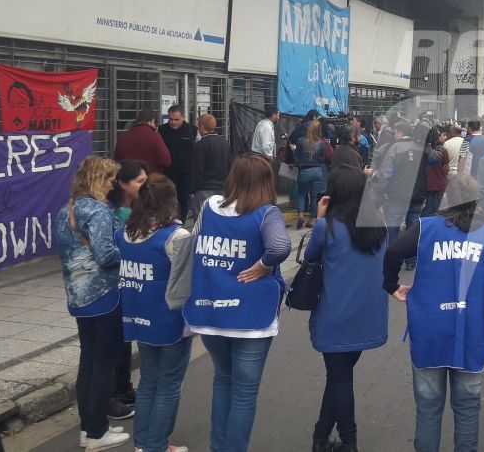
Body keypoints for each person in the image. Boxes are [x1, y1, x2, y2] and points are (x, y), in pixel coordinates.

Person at [383, 174, 484, 452]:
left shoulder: (425, 227)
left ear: (447, 198)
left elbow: (393, 252)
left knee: (428, 406)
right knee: (468, 405)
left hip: (429, 328)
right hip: (470, 328)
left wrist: (392, 286)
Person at [180, 154, 292, 452]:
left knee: (223, 381)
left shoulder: (209, 206)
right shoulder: (267, 213)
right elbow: (280, 246)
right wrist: (264, 265)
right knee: (244, 392)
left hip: (210, 311)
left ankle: (218, 447)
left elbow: (192, 242)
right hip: (251, 316)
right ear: (266, 183)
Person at [306, 166, 389, 452]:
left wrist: (319, 219)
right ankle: (320, 437)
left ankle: (349, 441)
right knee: (338, 376)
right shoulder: (377, 226)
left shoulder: (327, 227)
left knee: (339, 378)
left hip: (335, 315)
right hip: (368, 316)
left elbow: (310, 257)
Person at [55, 156, 132, 452]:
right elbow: (106, 255)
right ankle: (97, 433)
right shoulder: (99, 211)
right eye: (110, 179)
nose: (113, 185)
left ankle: (89, 428)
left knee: (88, 361)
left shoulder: (66, 209)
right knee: (104, 365)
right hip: (104, 293)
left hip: (77, 294)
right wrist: (130, 250)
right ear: (98, 180)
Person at [116, 174, 192, 452]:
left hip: (137, 316)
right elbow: (187, 281)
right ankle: (157, 445)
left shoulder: (124, 232)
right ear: (171, 201)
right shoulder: (176, 236)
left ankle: (143, 443)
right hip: (170, 320)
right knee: (169, 383)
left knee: (148, 380)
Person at [104, 159, 149, 418]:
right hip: (118, 283)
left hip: (131, 284)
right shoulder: (118, 215)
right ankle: (113, 392)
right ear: (122, 184)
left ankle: (123, 387)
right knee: (115, 341)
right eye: (139, 181)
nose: (144, 186)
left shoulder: (135, 210)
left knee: (125, 340)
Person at [372, 122, 444, 269]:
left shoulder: (395, 147)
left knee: (393, 227)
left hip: (396, 195)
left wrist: (379, 191)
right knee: (413, 228)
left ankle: (392, 259)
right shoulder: (424, 148)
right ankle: (411, 261)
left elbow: (386, 174)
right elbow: (436, 158)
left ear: (400, 132)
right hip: (418, 195)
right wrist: (433, 142)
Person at [158, 105, 198, 221]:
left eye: (177, 119)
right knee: (165, 201)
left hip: (185, 174)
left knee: (183, 201)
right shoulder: (161, 130)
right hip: (167, 173)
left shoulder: (192, 130)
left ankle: (181, 223)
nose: (173, 122)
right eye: (171, 119)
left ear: (183, 117)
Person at [295, 118, 332, 229]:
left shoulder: (300, 141)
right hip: (317, 171)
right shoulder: (322, 143)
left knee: (301, 194)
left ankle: (300, 215)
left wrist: (294, 152)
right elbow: (322, 158)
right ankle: (311, 220)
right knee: (315, 197)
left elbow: (297, 157)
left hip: (304, 171)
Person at [190, 114, 230, 215]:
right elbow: (229, 166)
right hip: (222, 188)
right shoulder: (224, 143)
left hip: (204, 188)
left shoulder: (201, 145)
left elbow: (197, 169)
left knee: (202, 219)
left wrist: (192, 190)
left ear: (202, 127)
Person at [114, 109, 171, 175]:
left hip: (127, 178)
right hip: (150, 177)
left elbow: (117, 161)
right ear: (152, 121)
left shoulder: (123, 137)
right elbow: (165, 161)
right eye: (156, 123)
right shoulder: (155, 136)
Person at [423, 126, 450, 216]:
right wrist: (442, 175)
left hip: (428, 185)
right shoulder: (442, 150)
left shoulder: (422, 150)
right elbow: (446, 166)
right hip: (440, 184)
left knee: (428, 210)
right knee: (439, 211)